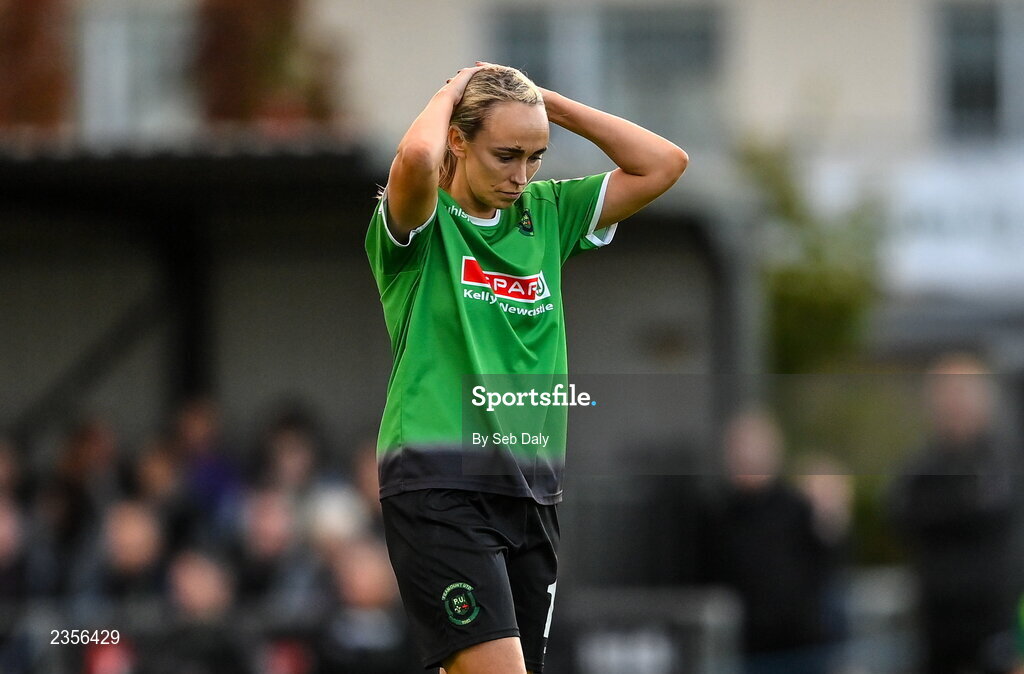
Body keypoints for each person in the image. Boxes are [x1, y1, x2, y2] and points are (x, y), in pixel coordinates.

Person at [365, 63, 687, 674]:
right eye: (506, 154)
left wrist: (551, 106)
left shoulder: (547, 213)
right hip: (439, 485)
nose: (521, 175)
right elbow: (412, 158)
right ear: (458, 140)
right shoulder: (422, 222)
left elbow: (664, 163)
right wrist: (450, 91)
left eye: (536, 156)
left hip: (531, 492)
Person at [889, 354, 1023, 674]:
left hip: (997, 625)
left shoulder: (1005, 461)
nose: (953, 403)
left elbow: (995, 513)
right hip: (937, 629)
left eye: (962, 391)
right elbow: (902, 515)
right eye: (945, 392)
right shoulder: (920, 468)